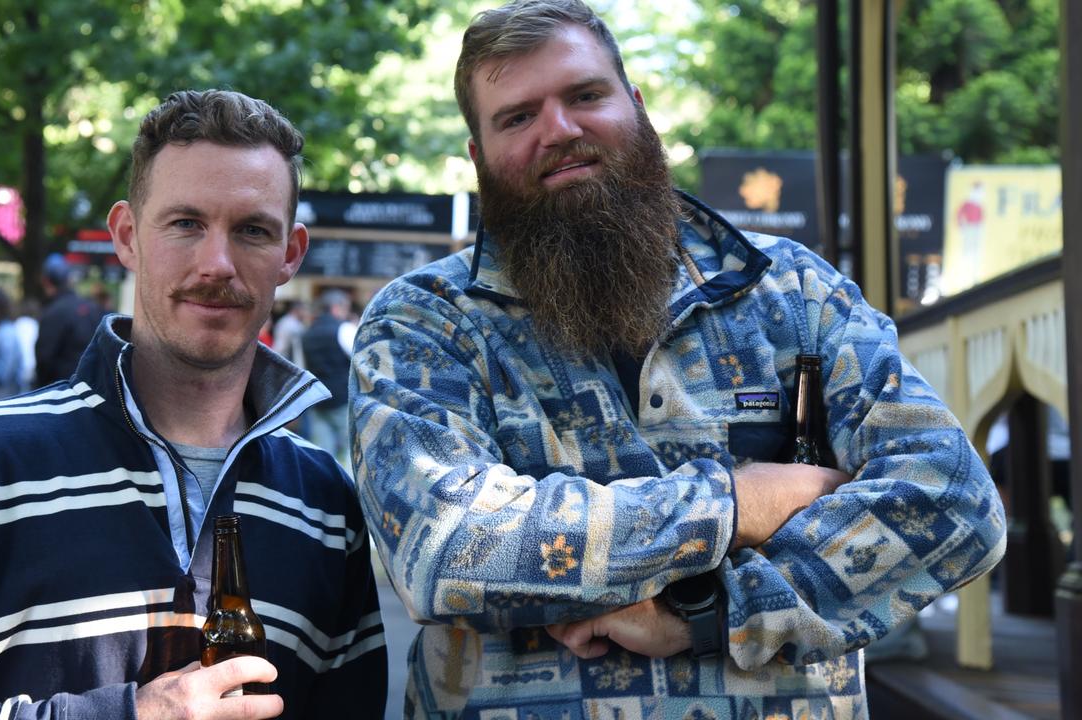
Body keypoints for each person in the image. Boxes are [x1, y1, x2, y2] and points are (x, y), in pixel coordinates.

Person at [349, 2, 1007, 718]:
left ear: (635, 107)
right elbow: (445, 549)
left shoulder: (792, 293)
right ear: (478, 155)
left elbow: (954, 502)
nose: (560, 130)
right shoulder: (425, 321)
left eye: (585, 95)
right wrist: (739, 502)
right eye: (517, 117)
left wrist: (710, 611)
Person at [0, 89, 386, 720]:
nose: (217, 263)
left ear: (291, 254)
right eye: (186, 223)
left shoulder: (325, 503)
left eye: (251, 230)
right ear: (128, 236)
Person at [299, 289, 354, 466]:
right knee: (351, 450)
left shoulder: (307, 333)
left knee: (324, 451)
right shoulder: (344, 329)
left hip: (318, 398)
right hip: (343, 400)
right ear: (336, 308)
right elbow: (360, 361)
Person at [34, 252, 104, 388]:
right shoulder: (93, 308)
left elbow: (43, 361)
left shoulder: (53, 312)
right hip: (92, 392)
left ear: (46, 280)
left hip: (59, 394)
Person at [270, 300, 308, 369]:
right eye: (304, 310)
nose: (305, 313)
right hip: (286, 361)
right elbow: (281, 346)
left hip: (287, 361)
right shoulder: (289, 324)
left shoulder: (291, 322)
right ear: (297, 310)